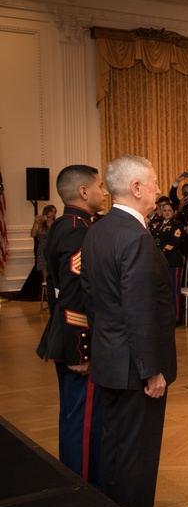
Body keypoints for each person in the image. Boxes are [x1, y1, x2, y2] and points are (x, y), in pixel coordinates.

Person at [81, 155, 185, 507]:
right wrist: (151, 370)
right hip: (134, 365)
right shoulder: (137, 237)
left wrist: (105, 345)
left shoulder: (98, 231)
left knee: (114, 446)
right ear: (137, 188)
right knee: (138, 453)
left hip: (109, 356)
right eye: (154, 182)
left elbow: (92, 299)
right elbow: (140, 311)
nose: (159, 189)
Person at [37, 164, 108, 485]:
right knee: (84, 424)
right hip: (76, 342)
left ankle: (73, 484)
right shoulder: (79, 231)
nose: (104, 192)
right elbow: (76, 295)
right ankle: (85, 493)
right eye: (100, 186)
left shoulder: (63, 225)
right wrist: (82, 351)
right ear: (83, 192)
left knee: (73, 417)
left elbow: (57, 291)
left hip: (61, 334)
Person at [153, 201, 184, 324]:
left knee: (173, 290)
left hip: (172, 261)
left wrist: (160, 254)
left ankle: (176, 317)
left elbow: (174, 242)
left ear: (174, 212)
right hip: (160, 261)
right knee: (164, 290)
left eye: (169, 210)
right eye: (164, 210)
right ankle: (166, 316)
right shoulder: (159, 224)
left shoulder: (177, 224)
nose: (166, 212)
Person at [31, 204, 57, 280]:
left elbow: (56, 236)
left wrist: (50, 226)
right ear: (46, 212)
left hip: (52, 248)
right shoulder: (40, 223)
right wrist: (36, 223)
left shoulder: (55, 223)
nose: (53, 214)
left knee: (53, 272)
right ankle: (46, 290)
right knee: (45, 274)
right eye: (51, 211)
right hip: (42, 249)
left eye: (55, 212)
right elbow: (33, 234)